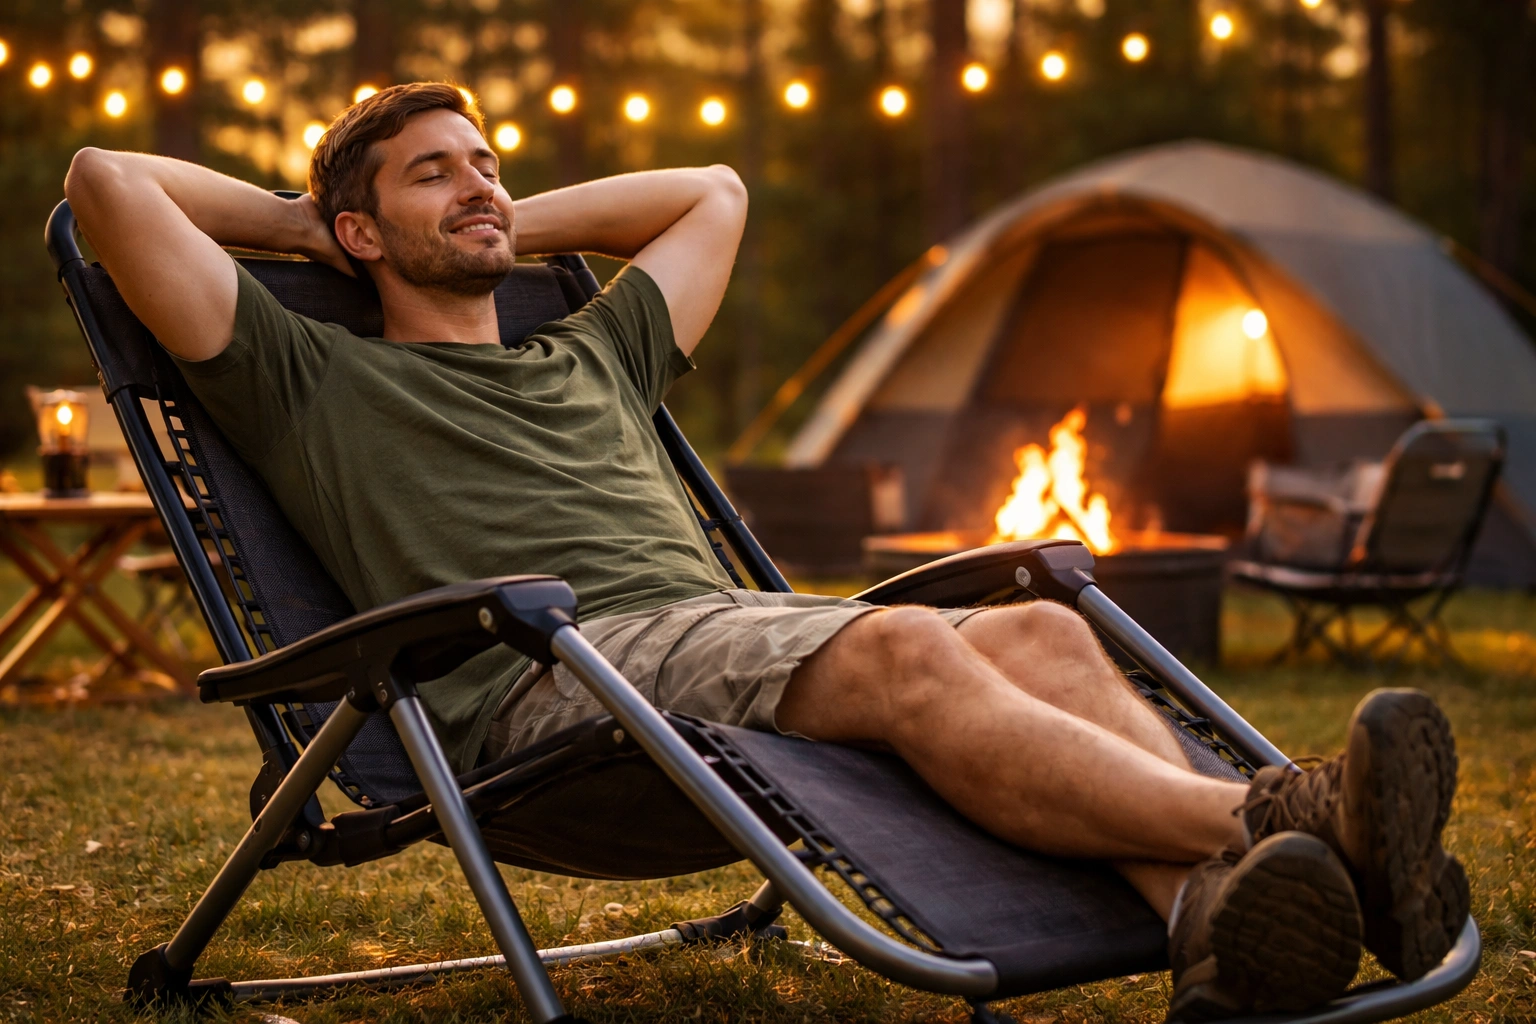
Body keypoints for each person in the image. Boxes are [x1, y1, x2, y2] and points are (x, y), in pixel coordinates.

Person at [63, 82, 1468, 1021]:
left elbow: (713, 194)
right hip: (551, 678)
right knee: (909, 645)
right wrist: (325, 231)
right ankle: (1279, 823)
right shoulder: (308, 374)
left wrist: (483, 218)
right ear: (359, 227)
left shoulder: (593, 348)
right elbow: (107, 183)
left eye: (492, 164)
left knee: (1042, 630)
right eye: (437, 174)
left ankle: (1212, 936)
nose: (483, 186)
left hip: (711, 649)